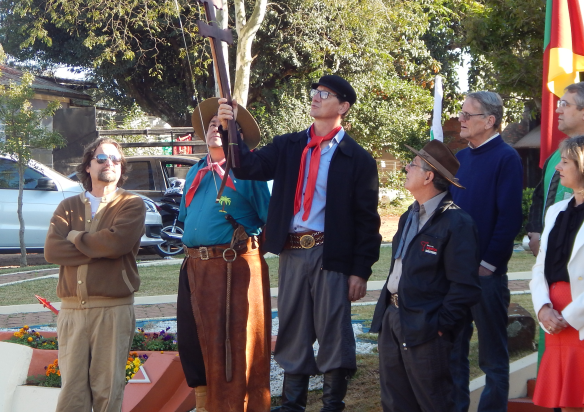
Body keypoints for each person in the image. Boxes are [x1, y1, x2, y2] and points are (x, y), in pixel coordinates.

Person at [218, 75, 380, 412]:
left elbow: (367, 221)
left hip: (330, 253)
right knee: (292, 325)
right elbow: (246, 167)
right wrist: (229, 129)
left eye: (325, 94)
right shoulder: (289, 145)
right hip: (292, 251)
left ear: (343, 106)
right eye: (315, 92)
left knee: (333, 328)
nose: (315, 97)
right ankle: (293, 404)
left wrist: (360, 271)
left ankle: (332, 404)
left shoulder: (357, 158)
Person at [371, 140, 481, 412]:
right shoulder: (408, 215)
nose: (406, 168)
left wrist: (438, 327)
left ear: (429, 176)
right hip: (393, 317)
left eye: (413, 164)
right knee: (395, 403)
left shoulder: (457, 223)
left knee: (435, 402)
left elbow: (464, 287)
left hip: (427, 326)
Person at [177, 99, 272, 412]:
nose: (215, 130)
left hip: (232, 269)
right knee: (193, 342)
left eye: (224, 126)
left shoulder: (249, 174)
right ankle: (206, 406)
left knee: (233, 348)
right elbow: (186, 218)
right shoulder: (195, 172)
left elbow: (269, 221)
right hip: (194, 268)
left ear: (237, 136)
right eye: (211, 125)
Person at [44, 138, 146, 412]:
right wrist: (100, 247)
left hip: (112, 310)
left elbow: (116, 244)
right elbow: (52, 250)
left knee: (107, 392)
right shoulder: (67, 207)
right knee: (71, 395)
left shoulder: (131, 204)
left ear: (121, 167)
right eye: (101, 158)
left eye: (115, 159)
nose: (108, 163)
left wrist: (75, 237)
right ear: (88, 166)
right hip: (71, 312)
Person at [448, 91, 523, 412]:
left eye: (468, 114)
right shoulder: (460, 158)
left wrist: (488, 264)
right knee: (453, 353)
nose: (461, 119)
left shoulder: (507, 158)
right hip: (454, 274)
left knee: (492, 359)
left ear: (490, 120)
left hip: (486, 277)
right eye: (461, 113)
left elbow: (510, 218)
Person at [529, 135, 584, 412]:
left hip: (577, 319)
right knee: (565, 403)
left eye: (564, 162)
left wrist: (571, 316)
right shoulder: (555, 211)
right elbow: (540, 267)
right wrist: (543, 309)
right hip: (554, 319)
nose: (558, 168)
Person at [527, 82, 584, 256]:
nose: (558, 110)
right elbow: (540, 195)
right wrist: (536, 230)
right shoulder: (555, 157)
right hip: (552, 253)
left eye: (565, 105)